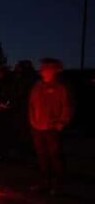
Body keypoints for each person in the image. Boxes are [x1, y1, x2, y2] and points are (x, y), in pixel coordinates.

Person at [28, 58, 72, 193]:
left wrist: (62, 122)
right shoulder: (37, 87)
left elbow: (67, 106)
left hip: (52, 128)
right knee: (42, 156)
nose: (41, 70)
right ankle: (44, 182)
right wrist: (33, 121)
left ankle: (59, 184)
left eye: (45, 68)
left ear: (53, 70)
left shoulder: (60, 88)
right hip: (37, 127)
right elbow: (31, 105)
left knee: (55, 156)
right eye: (42, 67)